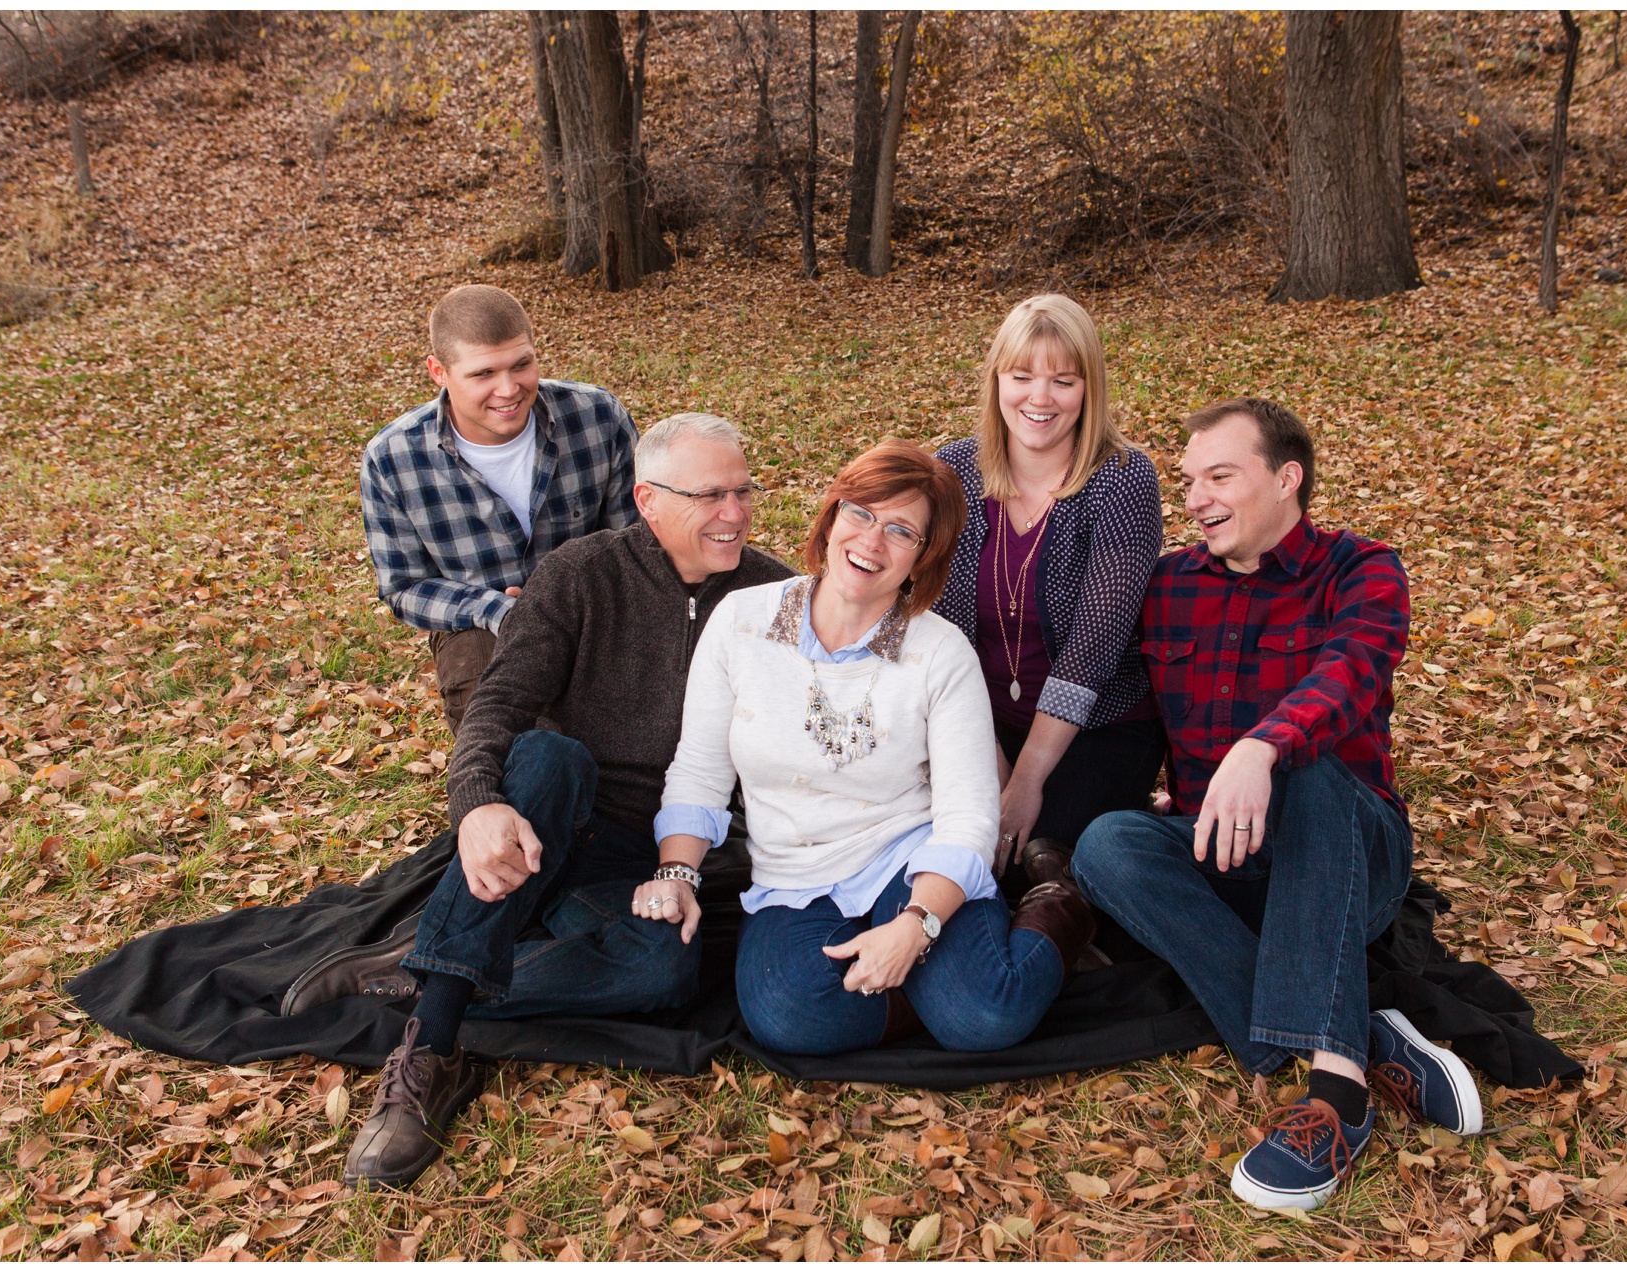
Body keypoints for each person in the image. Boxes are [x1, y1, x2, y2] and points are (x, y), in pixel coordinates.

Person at [300, 413, 792, 1189]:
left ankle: (434, 967)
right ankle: (430, 1051)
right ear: (648, 500)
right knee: (548, 755)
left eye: (743, 491)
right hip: (558, 816)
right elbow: (498, 705)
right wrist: (475, 807)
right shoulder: (580, 574)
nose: (733, 513)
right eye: (709, 496)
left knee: (666, 973)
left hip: (663, 854)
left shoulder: (775, 595)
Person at [1072, 398, 1483, 1213]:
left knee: (1310, 770)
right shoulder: (1167, 585)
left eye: (1219, 476)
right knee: (1105, 844)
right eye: (1189, 482)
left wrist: (1261, 748)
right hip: (1222, 851)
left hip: (1349, 848)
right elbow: (1123, 703)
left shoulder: (1363, 569)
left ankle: (1336, 1093)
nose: (1194, 500)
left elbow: (1350, 677)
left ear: (1286, 479)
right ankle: (1363, 1031)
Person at [640, 440, 1098, 1055]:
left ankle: (1057, 900)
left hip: (907, 858)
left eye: (901, 531)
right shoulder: (740, 622)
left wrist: (916, 925)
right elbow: (699, 771)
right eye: (860, 513)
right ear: (831, 517)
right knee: (787, 1017)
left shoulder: (941, 653)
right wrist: (677, 872)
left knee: (987, 1017)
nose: (871, 542)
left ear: (926, 556)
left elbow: (967, 817)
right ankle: (928, 993)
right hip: (794, 875)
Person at [931, 294, 1166, 902]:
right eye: (1022, 376)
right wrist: (989, 764)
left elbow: (1096, 645)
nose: (1040, 398)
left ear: (1089, 388)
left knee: (1034, 862)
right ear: (996, 381)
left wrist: (1027, 777)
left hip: (1098, 725)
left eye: (1063, 380)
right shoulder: (953, 471)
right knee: (958, 853)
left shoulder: (1121, 478)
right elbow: (935, 631)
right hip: (972, 717)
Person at [360, 283, 640, 735]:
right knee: (521, 754)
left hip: (596, 609)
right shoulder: (393, 458)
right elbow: (403, 587)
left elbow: (637, 542)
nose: (508, 389)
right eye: (483, 374)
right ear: (438, 371)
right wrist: (495, 609)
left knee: (637, 738)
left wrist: (581, 607)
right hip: (478, 626)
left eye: (521, 365)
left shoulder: (597, 416)